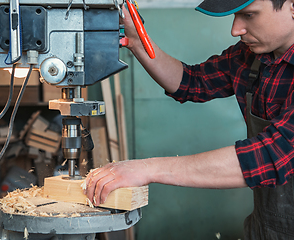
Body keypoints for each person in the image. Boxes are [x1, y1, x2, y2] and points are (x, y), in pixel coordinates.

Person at [85, 0, 294, 238]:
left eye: (249, 15)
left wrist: (146, 168)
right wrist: (137, 42)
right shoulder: (252, 56)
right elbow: (191, 82)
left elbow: (271, 155)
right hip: (264, 229)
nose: (235, 30)